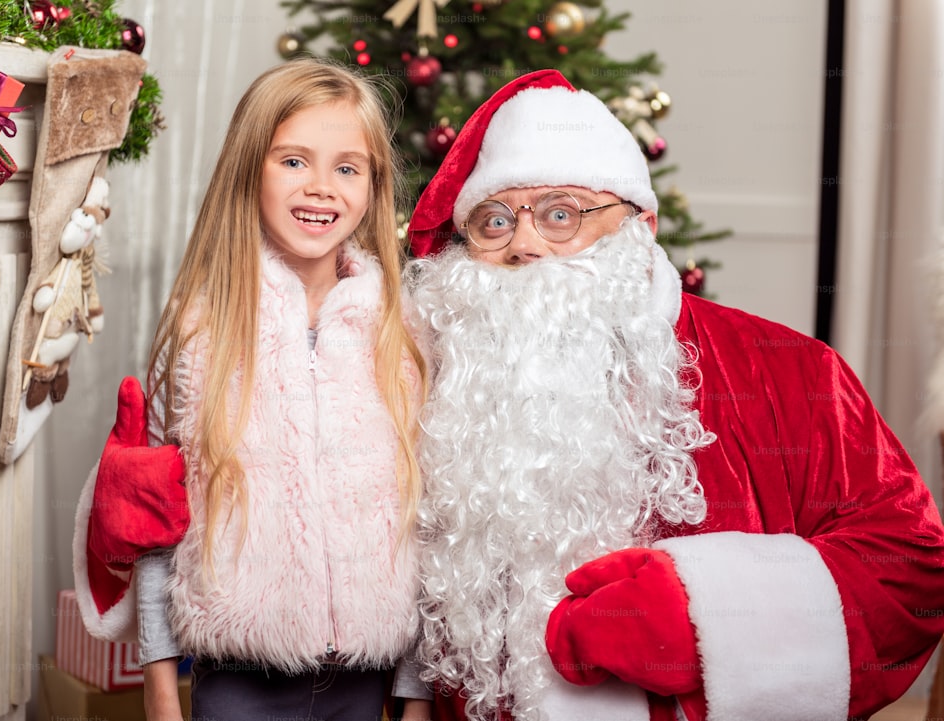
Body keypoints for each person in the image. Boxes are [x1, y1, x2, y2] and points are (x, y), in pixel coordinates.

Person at [393, 69, 944, 721]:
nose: (525, 243)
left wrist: (708, 613)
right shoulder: (442, 376)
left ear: (641, 224)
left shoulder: (791, 372)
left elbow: (908, 562)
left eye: (561, 213)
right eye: (493, 221)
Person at [71, 58, 428, 721]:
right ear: (250, 168)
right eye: (295, 161)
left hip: (365, 678)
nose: (322, 187)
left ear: (375, 187)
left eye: (347, 168)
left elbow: (424, 518)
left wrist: (416, 692)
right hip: (238, 683)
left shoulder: (398, 333)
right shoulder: (203, 329)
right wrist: (158, 691)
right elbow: (157, 524)